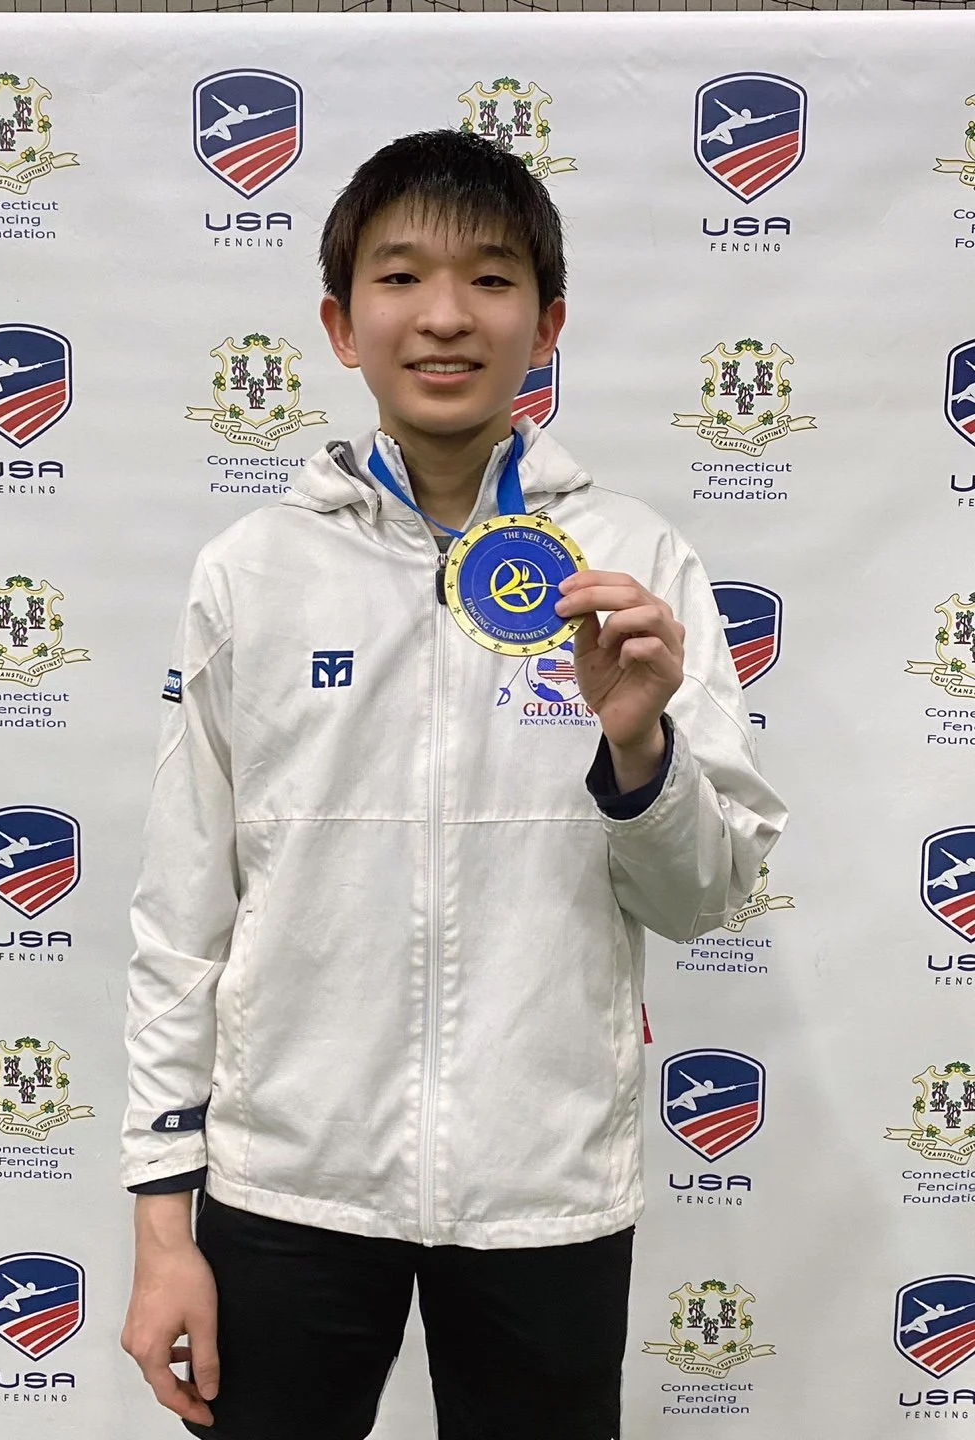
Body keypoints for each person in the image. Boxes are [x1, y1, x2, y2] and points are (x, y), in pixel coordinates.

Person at [120, 128, 787, 1440]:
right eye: (401, 276)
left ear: (545, 327)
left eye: (489, 282)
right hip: (288, 1189)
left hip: (546, 1189)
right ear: (338, 321)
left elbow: (710, 896)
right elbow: (178, 920)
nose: (442, 316)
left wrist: (640, 750)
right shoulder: (251, 571)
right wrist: (161, 1225)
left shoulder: (634, 560)